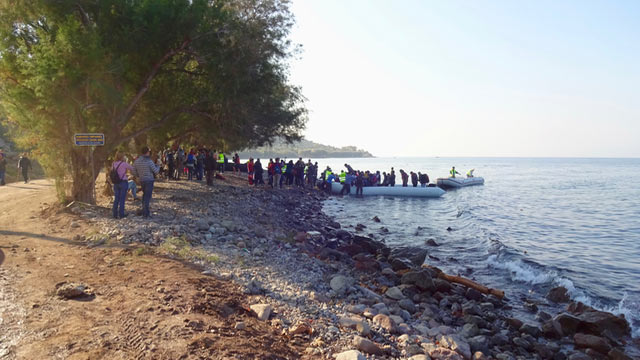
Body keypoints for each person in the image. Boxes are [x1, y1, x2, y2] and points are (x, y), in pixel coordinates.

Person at [133, 146, 159, 218]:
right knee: (148, 196)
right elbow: (156, 171)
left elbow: (133, 171)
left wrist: (138, 175)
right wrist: (158, 166)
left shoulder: (137, 161)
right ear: (147, 152)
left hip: (142, 180)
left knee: (144, 195)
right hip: (149, 180)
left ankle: (144, 209)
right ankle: (146, 213)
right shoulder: (149, 161)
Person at [111, 152, 134, 219]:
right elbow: (132, 168)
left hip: (115, 183)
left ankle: (114, 214)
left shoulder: (113, 164)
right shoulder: (124, 164)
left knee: (116, 198)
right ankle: (121, 214)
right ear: (122, 157)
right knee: (122, 199)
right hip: (123, 182)